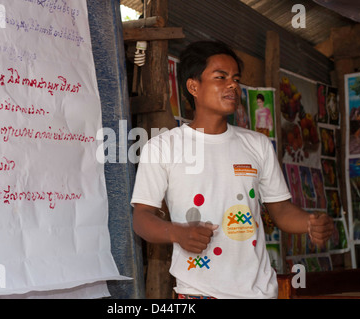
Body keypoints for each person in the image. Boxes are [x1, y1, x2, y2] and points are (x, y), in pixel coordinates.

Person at [131, 41, 333, 299]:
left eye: (236, 79)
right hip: (199, 294)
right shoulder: (162, 147)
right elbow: (142, 217)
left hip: (261, 293)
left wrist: (309, 223)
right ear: (193, 86)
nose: (233, 86)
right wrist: (177, 232)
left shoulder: (257, 144)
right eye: (221, 77)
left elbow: (280, 210)